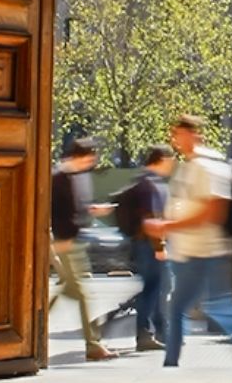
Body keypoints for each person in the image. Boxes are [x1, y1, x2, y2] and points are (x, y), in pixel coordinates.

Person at [149, 115, 232, 369]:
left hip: (203, 252)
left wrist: (168, 226)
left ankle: (171, 365)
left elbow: (213, 211)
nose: (174, 140)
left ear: (193, 134)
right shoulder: (190, 165)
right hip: (191, 252)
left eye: (178, 133)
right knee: (215, 308)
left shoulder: (208, 166)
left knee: (190, 309)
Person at [50, 137, 118, 362]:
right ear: (80, 156)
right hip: (66, 242)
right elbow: (55, 210)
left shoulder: (78, 177)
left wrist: (92, 210)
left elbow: (76, 209)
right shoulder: (59, 178)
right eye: (90, 157)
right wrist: (60, 238)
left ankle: (35, 326)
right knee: (81, 293)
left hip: (74, 240)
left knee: (70, 290)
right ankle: (93, 344)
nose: (93, 162)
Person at [129, 144, 175, 352]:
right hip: (151, 245)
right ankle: (145, 334)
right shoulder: (151, 184)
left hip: (144, 243)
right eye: (171, 161)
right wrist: (160, 246)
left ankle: (160, 332)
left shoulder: (144, 181)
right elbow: (152, 217)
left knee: (157, 288)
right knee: (153, 289)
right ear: (162, 159)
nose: (172, 166)